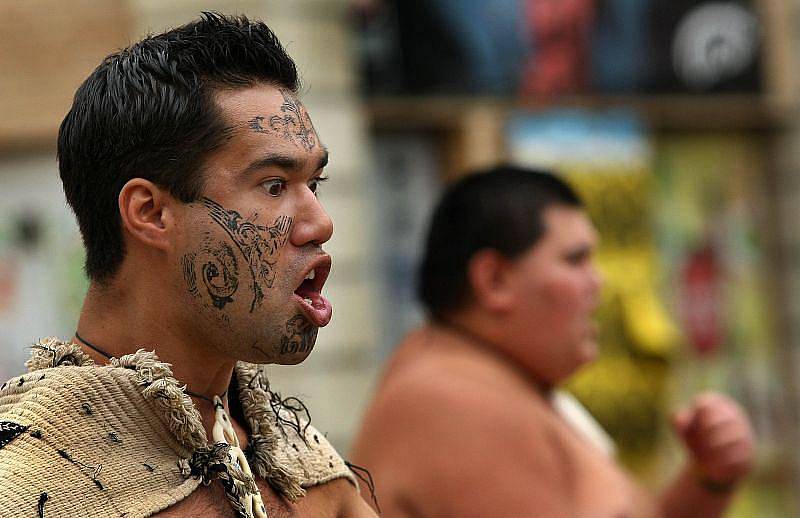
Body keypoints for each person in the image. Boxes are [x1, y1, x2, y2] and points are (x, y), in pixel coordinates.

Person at [0, 12, 376, 518]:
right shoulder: (31, 484)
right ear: (151, 213)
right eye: (273, 185)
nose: (320, 222)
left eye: (315, 184)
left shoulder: (302, 463)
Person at [351, 165, 754, 518]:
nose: (598, 282)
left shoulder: (499, 382)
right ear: (494, 281)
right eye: (575, 260)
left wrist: (708, 477)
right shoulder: (448, 399)